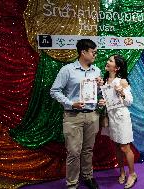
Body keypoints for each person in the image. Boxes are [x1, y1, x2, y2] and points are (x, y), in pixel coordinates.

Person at [50, 39, 102, 189]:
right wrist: (70, 103)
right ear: (83, 52)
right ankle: (72, 183)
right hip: (73, 116)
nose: (95, 55)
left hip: (92, 115)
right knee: (73, 151)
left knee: (88, 149)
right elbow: (54, 91)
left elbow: (98, 93)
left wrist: (101, 88)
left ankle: (88, 176)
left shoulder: (97, 71)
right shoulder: (67, 70)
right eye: (93, 52)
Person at [99, 54, 137, 189]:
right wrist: (101, 102)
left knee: (125, 147)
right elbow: (104, 102)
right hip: (111, 118)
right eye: (108, 60)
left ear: (117, 68)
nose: (107, 62)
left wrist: (122, 92)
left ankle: (132, 174)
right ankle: (121, 171)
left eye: (110, 61)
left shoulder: (122, 81)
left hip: (122, 117)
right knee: (116, 146)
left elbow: (129, 102)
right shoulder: (104, 82)